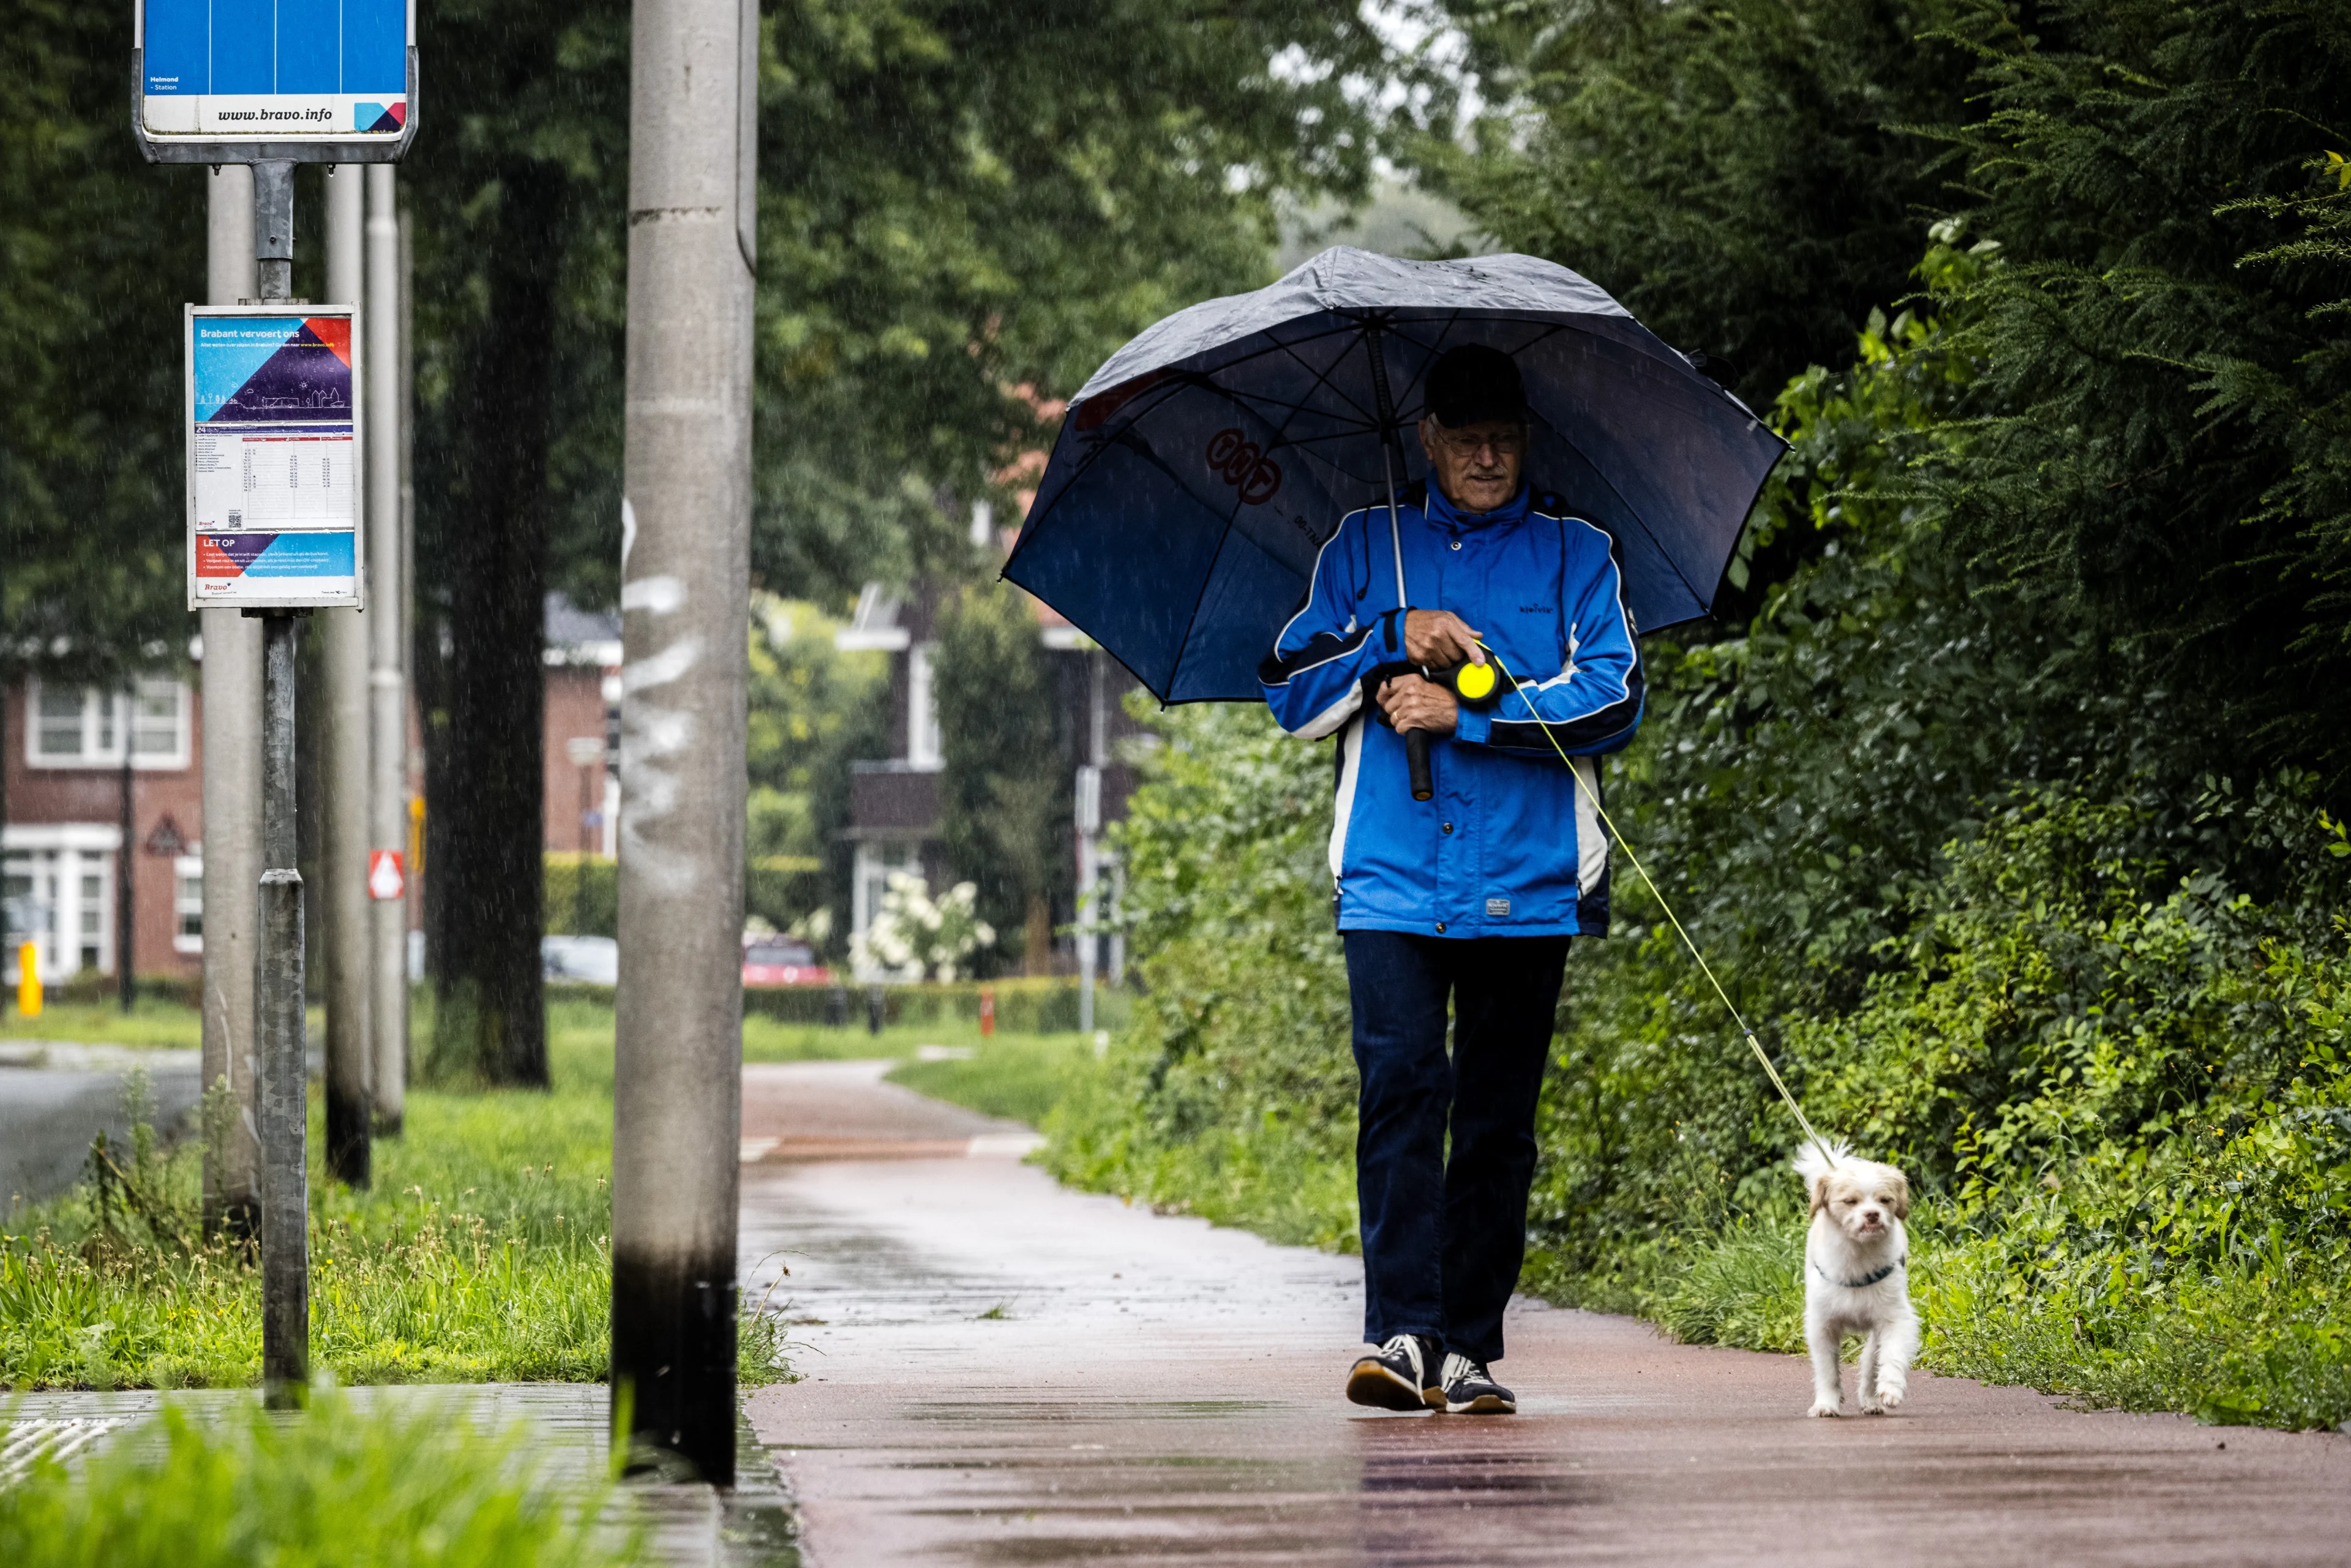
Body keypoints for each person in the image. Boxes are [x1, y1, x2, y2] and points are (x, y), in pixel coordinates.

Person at [1258, 343, 1643, 1415]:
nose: (1487, 455)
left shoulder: (1578, 556)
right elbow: (1289, 690)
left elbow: (1613, 702)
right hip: (1388, 880)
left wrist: (1463, 715)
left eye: (1505, 438)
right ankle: (1402, 1336)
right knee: (1401, 1096)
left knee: (1496, 1121)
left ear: (1525, 438)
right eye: (1467, 437)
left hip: (1532, 881)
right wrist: (1391, 636)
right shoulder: (1363, 546)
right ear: (1427, 439)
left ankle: (1469, 1346)